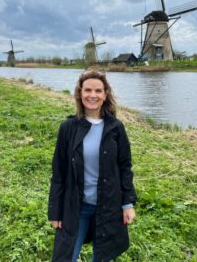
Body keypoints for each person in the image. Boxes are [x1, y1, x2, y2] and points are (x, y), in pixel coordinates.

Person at [48, 69, 137, 262]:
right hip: (76, 206)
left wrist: (128, 203)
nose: (93, 95)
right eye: (88, 90)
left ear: (105, 95)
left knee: (102, 256)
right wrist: (55, 211)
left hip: (108, 206)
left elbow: (124, 167)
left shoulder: (116, 128)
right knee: (65, 256)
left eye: (98, 91)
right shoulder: (68, 128)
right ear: (80, 93)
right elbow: (59, 172)